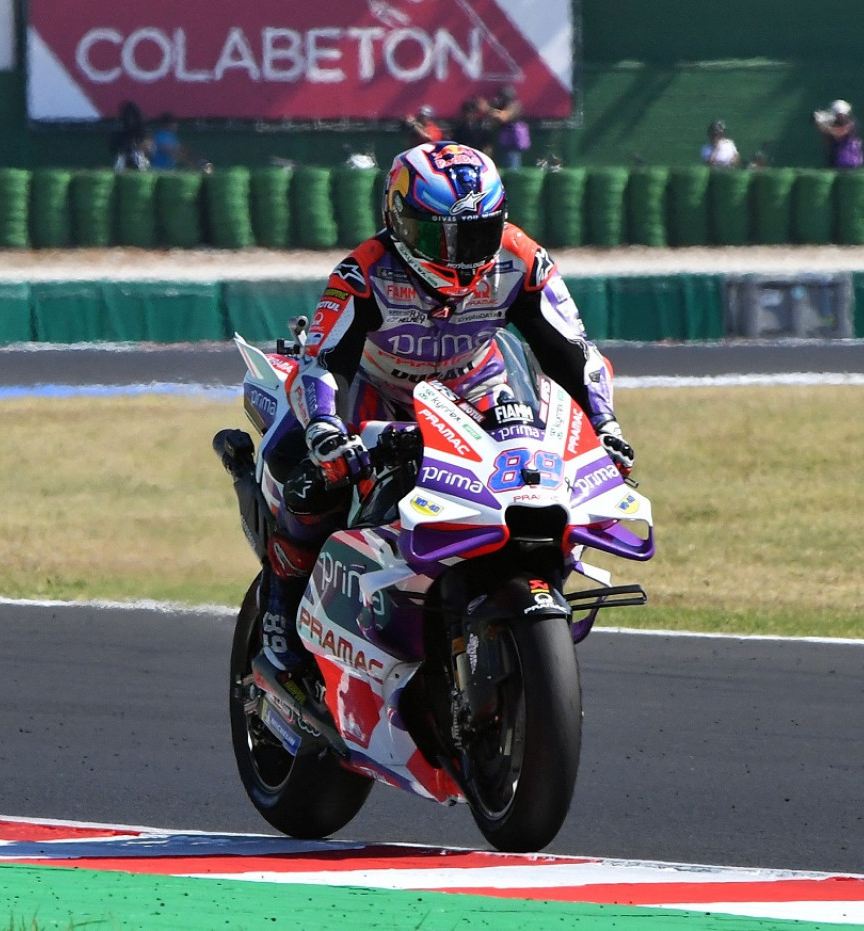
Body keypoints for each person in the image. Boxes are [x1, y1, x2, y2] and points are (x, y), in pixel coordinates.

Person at [255, 141, 635, 678]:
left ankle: (519, 593)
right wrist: (325, 429)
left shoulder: (521, 258)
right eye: (440, 235)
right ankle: (280, 605)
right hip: (374, 396)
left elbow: (574, 352)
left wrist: (607, 427)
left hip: (476, 391)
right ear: (399, 219)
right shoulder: (363, 273)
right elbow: (321, 362)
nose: (459, 254)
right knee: (313, 478)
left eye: (476, 234)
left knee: (536, 484)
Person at [813, 100, 863, 169]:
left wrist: (824, 127)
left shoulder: (851, 123)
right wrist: (821, 127)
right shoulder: (833, 125)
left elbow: (840, 133)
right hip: (835, 160)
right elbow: (828, 142)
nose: (840, 117)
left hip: (851, 161)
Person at [491, 86, 531, 169]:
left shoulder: (514, 106)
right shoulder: (504, 106)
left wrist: (490, 110)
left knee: (511, 166)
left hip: (513, 142)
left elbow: (504, 117)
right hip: (506, 143)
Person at [110, 101, 150, 172]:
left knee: (140, 165)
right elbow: (113, 146)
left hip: (137, 152)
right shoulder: (119, 127)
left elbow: (146, 144)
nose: (130, 119)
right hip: (123, 154)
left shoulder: (140, 127)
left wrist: (137, 147)